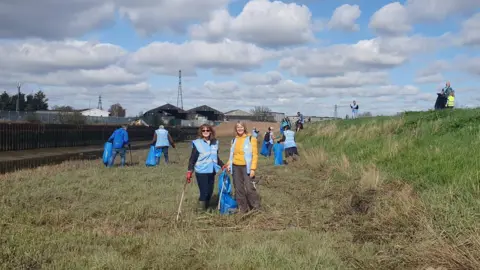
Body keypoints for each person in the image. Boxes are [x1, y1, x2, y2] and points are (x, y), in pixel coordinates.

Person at [186, 124, 224, 212]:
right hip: (201, 171)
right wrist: (189, 171)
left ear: (211, 131)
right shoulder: (197, 143)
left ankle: (207, 207)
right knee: (204, 191)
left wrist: (223, 165)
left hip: (212, 170)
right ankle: (201, 210)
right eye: (203, 130)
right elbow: (192, 158)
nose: (205, 132)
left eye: (207, 130)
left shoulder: (215, 142)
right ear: (201, 132)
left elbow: (215, 157)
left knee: (210, 191)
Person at [225, 121, 261, 213]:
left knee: (249, 188)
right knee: (238, 189)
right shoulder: (233, 140)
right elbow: (231, 155)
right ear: (236, 129)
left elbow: (255, 155)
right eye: (238, 127)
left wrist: (253, 169)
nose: (240, 129)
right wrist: (229, 164)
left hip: (247, 167)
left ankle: (255, 208)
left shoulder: (251, 139)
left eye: (241, 127)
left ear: (244, 128)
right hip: (236, 167)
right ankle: (242, 209)